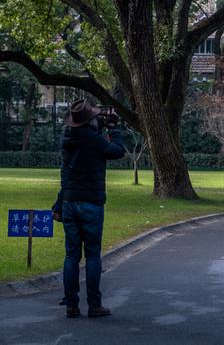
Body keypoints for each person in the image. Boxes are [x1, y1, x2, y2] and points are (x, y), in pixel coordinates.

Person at [55, 99, 125, 318]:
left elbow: (84, 138)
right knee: (93, 255)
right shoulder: (95, 140)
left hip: (69, 202)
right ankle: (94, 305)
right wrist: (115, 129)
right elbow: (117, 151)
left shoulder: (67, 138)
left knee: (71, 255)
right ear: (90, 121)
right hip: (91, 203)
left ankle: (71, 305)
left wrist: (100, 126)